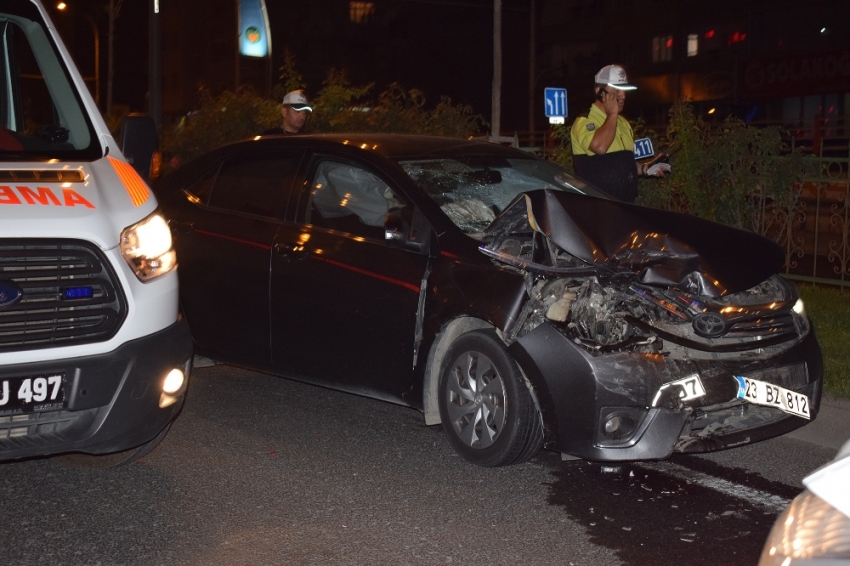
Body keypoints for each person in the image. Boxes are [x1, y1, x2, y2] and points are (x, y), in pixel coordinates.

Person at [570, 64, 667, 202]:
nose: (623, 96)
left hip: (625, 207)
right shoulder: (584, 121)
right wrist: (612, 113)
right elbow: (600, 147)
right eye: (616, 90)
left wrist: (646, 168)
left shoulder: (622, 123)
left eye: (624, 90)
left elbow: (622, 163)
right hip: (596, 209)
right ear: (600, 92)